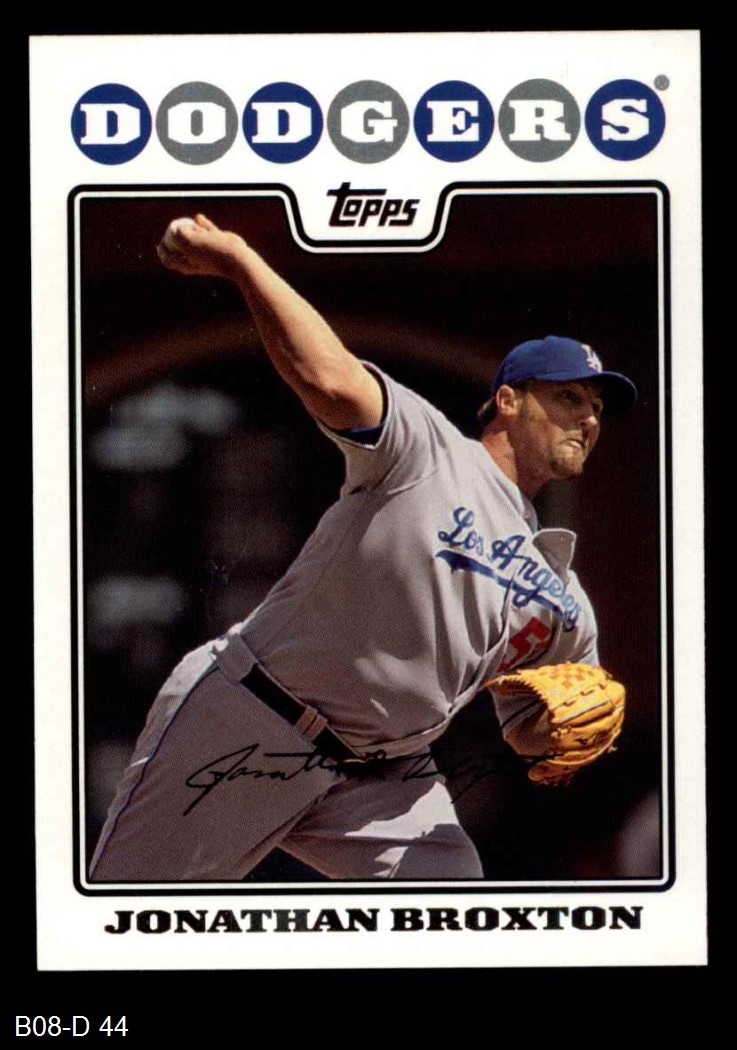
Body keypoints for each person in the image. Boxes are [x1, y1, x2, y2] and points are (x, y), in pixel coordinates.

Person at [89, 214, 637, 882]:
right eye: (569, 397)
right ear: (508, 401)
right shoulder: (428, 451)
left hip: (385, 775)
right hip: (255, 717)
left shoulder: (563, 598)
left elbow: (525, 730)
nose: (588, 418)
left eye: (597, 409)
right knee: (127, 913)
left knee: (454, 914)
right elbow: (327, 378)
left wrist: (560, 735)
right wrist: (240, 261)